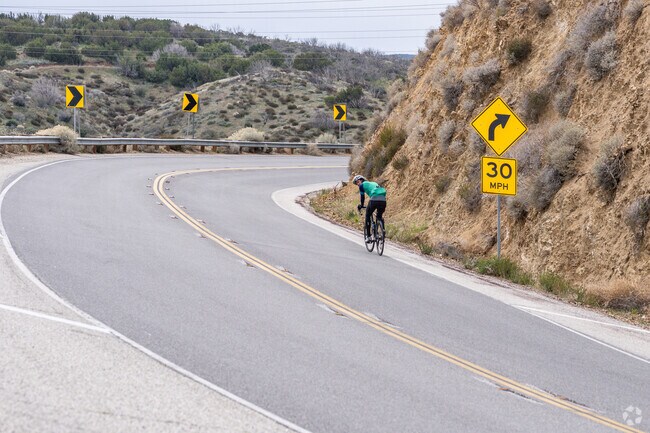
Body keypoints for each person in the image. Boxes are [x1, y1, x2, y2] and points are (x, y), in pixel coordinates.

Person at [352, 175, 386, 243]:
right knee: (379, 216)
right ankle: (382, 232)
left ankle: (369, 236)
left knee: (368, 214)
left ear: (361, 180)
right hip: (383, 200)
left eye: (358, 182)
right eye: (356, 184)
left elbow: (362, 197)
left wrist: (361, 205)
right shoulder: (374, 183)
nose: (358, 184)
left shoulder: (362, 186)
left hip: (374, 200)